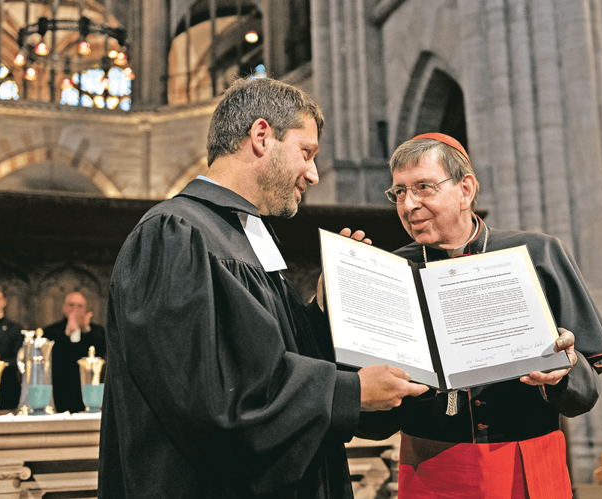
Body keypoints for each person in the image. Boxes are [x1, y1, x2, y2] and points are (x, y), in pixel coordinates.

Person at [97, 77, 428, 499]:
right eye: (305, 153)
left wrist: (324, 309)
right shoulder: (176, 233)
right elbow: (209, 400)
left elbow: (265, 354)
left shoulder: (244, 233)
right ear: (260, 136)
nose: (312, 174)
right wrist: (350, 391)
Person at [357, 133, 602, 499]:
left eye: (423, 187)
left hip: (527, 465)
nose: (408, 204)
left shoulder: (538, 253)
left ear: (465, 189)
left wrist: (565, 369)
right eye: (399, 192)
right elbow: (374, 418)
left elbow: (585, 394)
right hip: (432, 470)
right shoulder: (393, 272)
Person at [42, 291, 106, 413]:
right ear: (64, 307)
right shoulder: (51, 331)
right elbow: (53, 357)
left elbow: (100, 353)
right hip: (60, 387)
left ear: (86, 309)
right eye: (71, 305)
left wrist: (86, 330)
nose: (75, 309)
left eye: (80, 306)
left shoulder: (96, 331)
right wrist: (67, 333)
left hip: (88, 387)